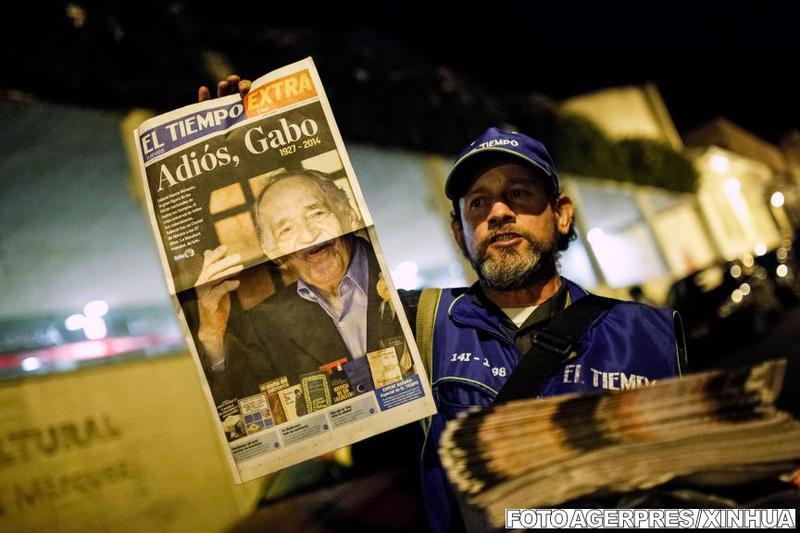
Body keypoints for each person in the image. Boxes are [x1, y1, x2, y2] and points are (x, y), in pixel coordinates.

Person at [200, 78, 685, 532]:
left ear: (561, 215)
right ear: (459, 234)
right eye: (478, 203)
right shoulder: (414, 323)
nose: (498, 212)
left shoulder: (652, 333)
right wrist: (241, 147)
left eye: (519, 194)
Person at [195, 169, 408, 397]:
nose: (308, 236)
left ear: (349, 215)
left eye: (317, 213)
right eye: (286, 229)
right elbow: (243, 401)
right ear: (272, 252)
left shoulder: (400, 263)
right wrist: (212, 336)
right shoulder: (264, 323)